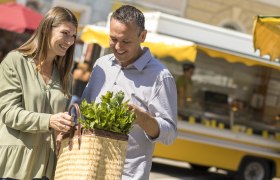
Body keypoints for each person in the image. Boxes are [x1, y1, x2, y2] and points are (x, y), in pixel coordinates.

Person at [81, 5, 177, 179]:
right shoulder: (101, 65)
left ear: (143, 36)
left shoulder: (161, 77)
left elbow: (169, 134)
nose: (117, 47)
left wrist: (144, 119)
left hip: (126, 175)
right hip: (88, 170)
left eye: (126, 41)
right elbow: (84, 111)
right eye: (113, 39)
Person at [0, 7, 77, 180]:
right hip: (14, 164)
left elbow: (59, 123)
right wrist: (49, 120)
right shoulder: (15, 61)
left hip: (46, 167)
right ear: (47, 29)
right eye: (65, 33)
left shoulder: (65, 75)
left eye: (73, 35)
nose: (70, 41)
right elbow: (8, 113)